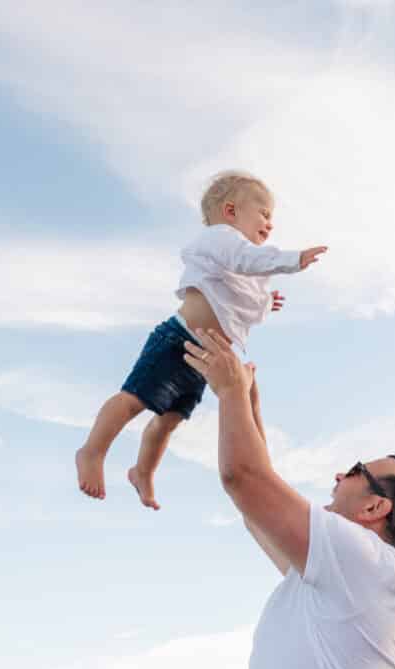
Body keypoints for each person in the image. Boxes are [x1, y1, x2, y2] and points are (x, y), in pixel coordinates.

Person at [182, 327, 395, 669]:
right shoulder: (344, 578)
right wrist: (248, 403)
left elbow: (245, 479)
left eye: (355, 471)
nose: (338, 475)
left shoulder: (365, 560)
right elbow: (257, 511)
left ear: (374, 508)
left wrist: (230, 391)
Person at [75, 170, 328, 509]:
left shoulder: (240, 262)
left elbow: (239, 301)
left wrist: (268, 302)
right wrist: (293, 260)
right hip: (177, 340)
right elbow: (247, 259)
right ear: (230, 211)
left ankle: (143, 472)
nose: (270, 223)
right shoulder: (220, 238)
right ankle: (92, 451)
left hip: (204, 360)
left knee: (169, 420)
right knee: (133, 400)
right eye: (264, 213)